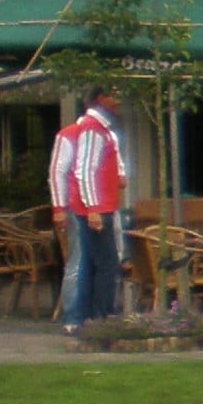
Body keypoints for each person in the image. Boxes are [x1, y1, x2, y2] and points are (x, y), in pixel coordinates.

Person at [50, 87, 128, 331]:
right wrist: (59, 207)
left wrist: (118, 176)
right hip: (84, 206)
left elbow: (119, 170)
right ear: (99, 100)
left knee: (100, 260)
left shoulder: (107, 133)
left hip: (103, 203)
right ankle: (76, 316)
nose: (119, 100)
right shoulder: (79, 132)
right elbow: (62, 172)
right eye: (113, 95)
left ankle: (88, 316)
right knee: (81, 261)